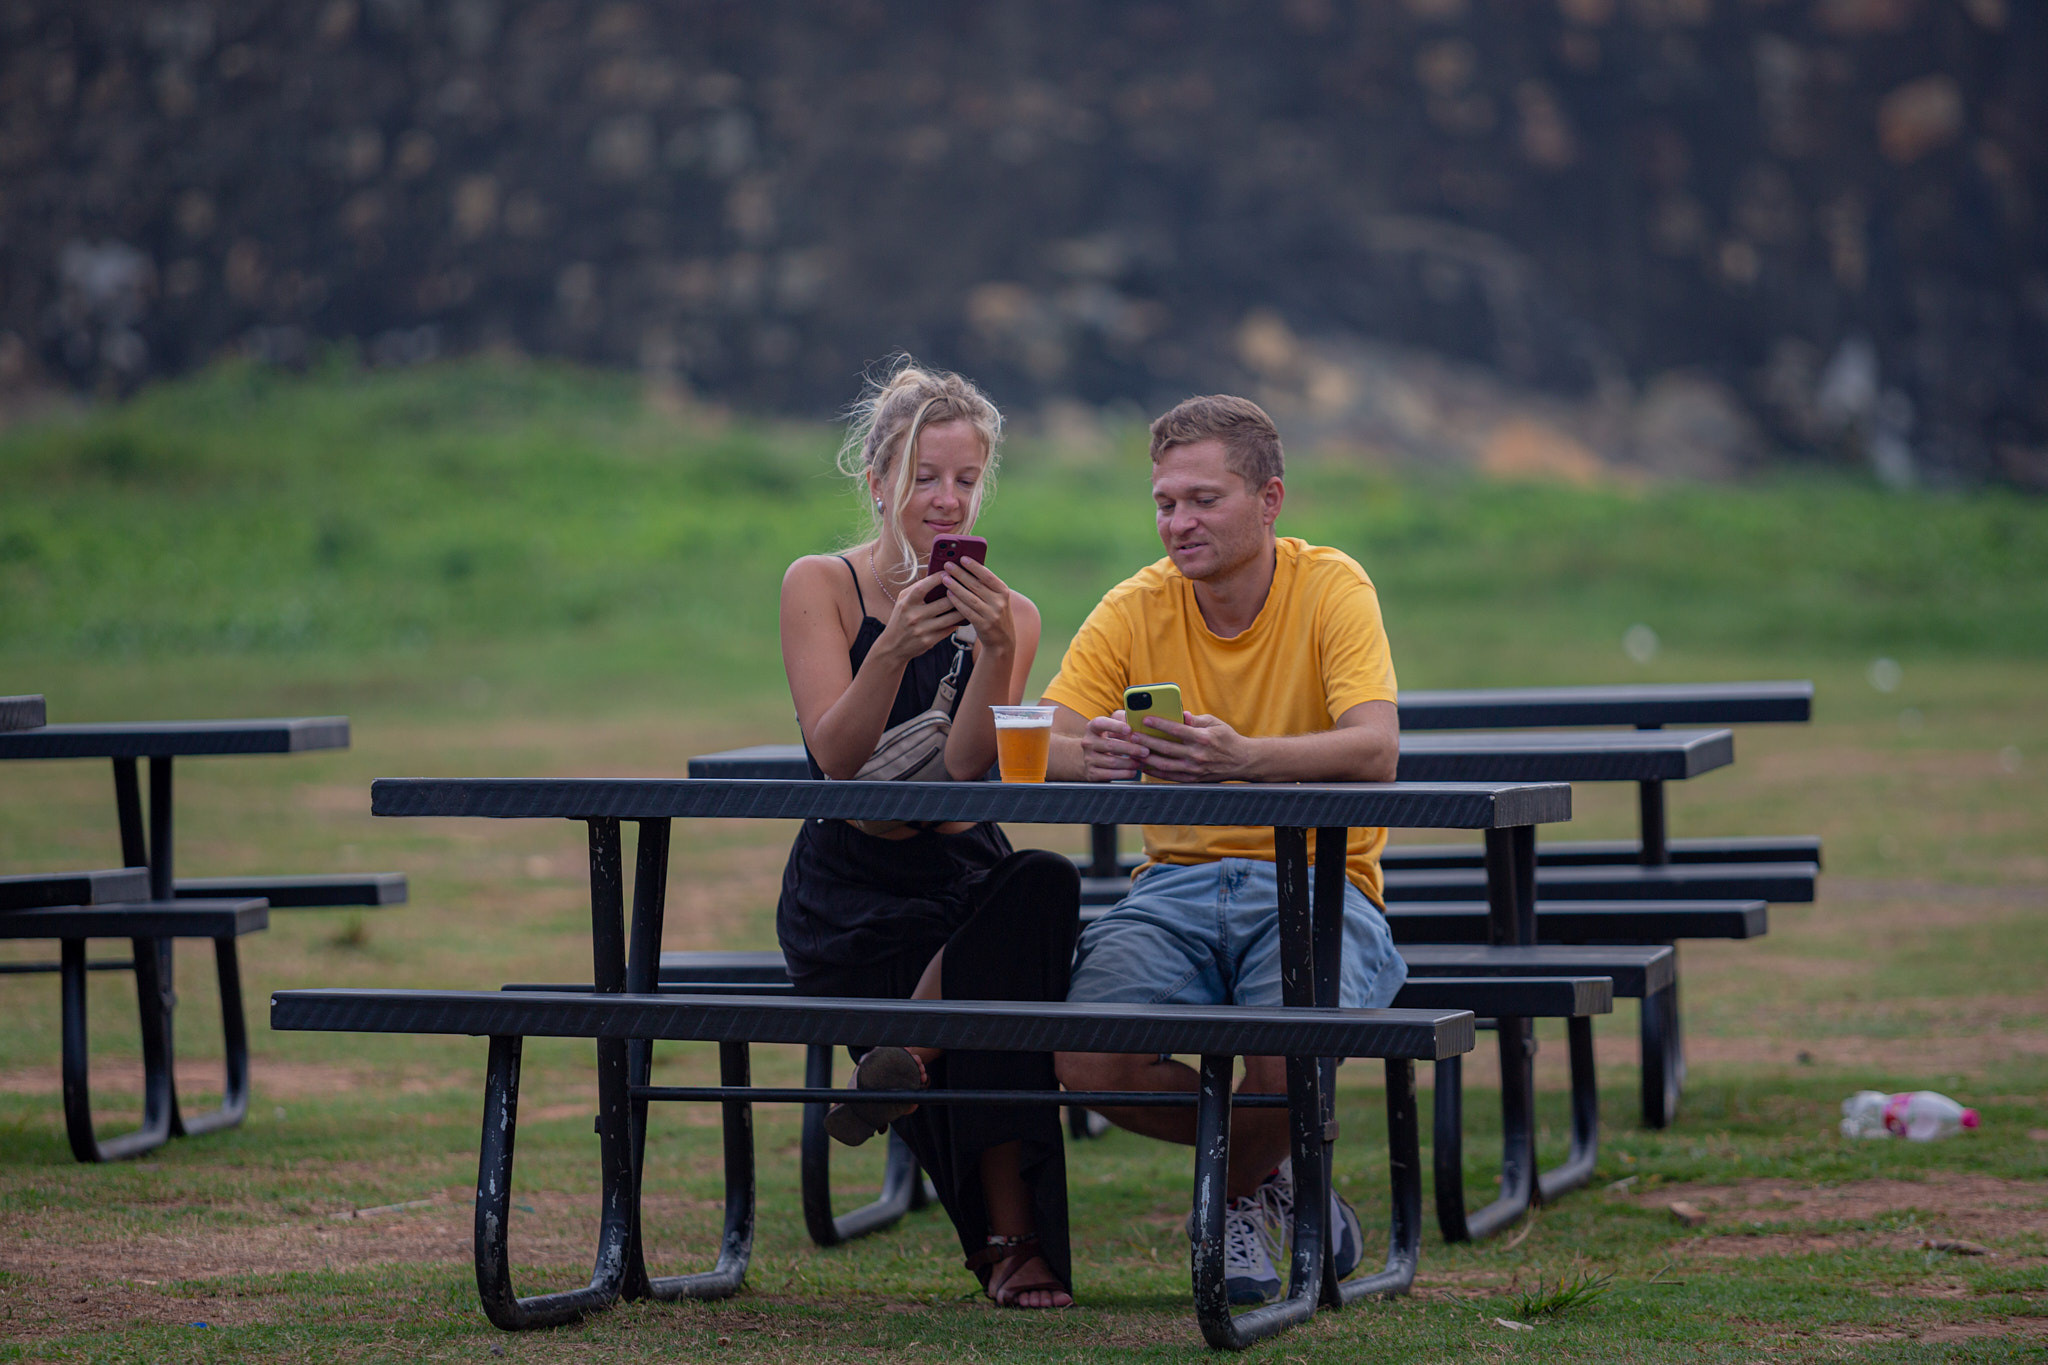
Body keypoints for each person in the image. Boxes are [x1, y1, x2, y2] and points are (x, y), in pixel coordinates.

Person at [1041, 394, 1407, 1306]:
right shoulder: (1136, 603)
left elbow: (1375, 748)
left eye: (1204, 500)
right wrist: (1096, 752)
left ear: (1270, 499)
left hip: (1318, 882)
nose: (1179, 522)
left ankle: (1232, 1199)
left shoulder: (1332, 585)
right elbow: (1041, 738)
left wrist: (1245, 760)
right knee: (1084, 1058)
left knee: (1288, 1059)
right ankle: (1275, 1175)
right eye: (1166, 503)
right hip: (1174, 885)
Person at [776, 358, 1080, 1309]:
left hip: (959, 874)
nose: (947, 500)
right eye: (924, 477)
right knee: (994, 991)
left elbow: (964, 769)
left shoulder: (1011, 614)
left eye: (965, 479)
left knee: (1042, 883)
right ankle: (1013, 1244)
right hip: (851, 893)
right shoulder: (820, 585)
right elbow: (836, 757)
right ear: (877, 482)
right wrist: (895, 648)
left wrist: (996, 650)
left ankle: (906, 1053)